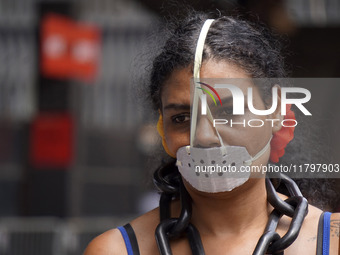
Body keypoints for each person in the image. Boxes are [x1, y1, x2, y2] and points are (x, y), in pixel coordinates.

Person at [84, 12, 340, 255]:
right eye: (181, 118)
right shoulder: (113, 250)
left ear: (275, 113)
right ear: (163, 129)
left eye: (228, 111)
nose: (204, 136)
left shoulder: (333, 241)